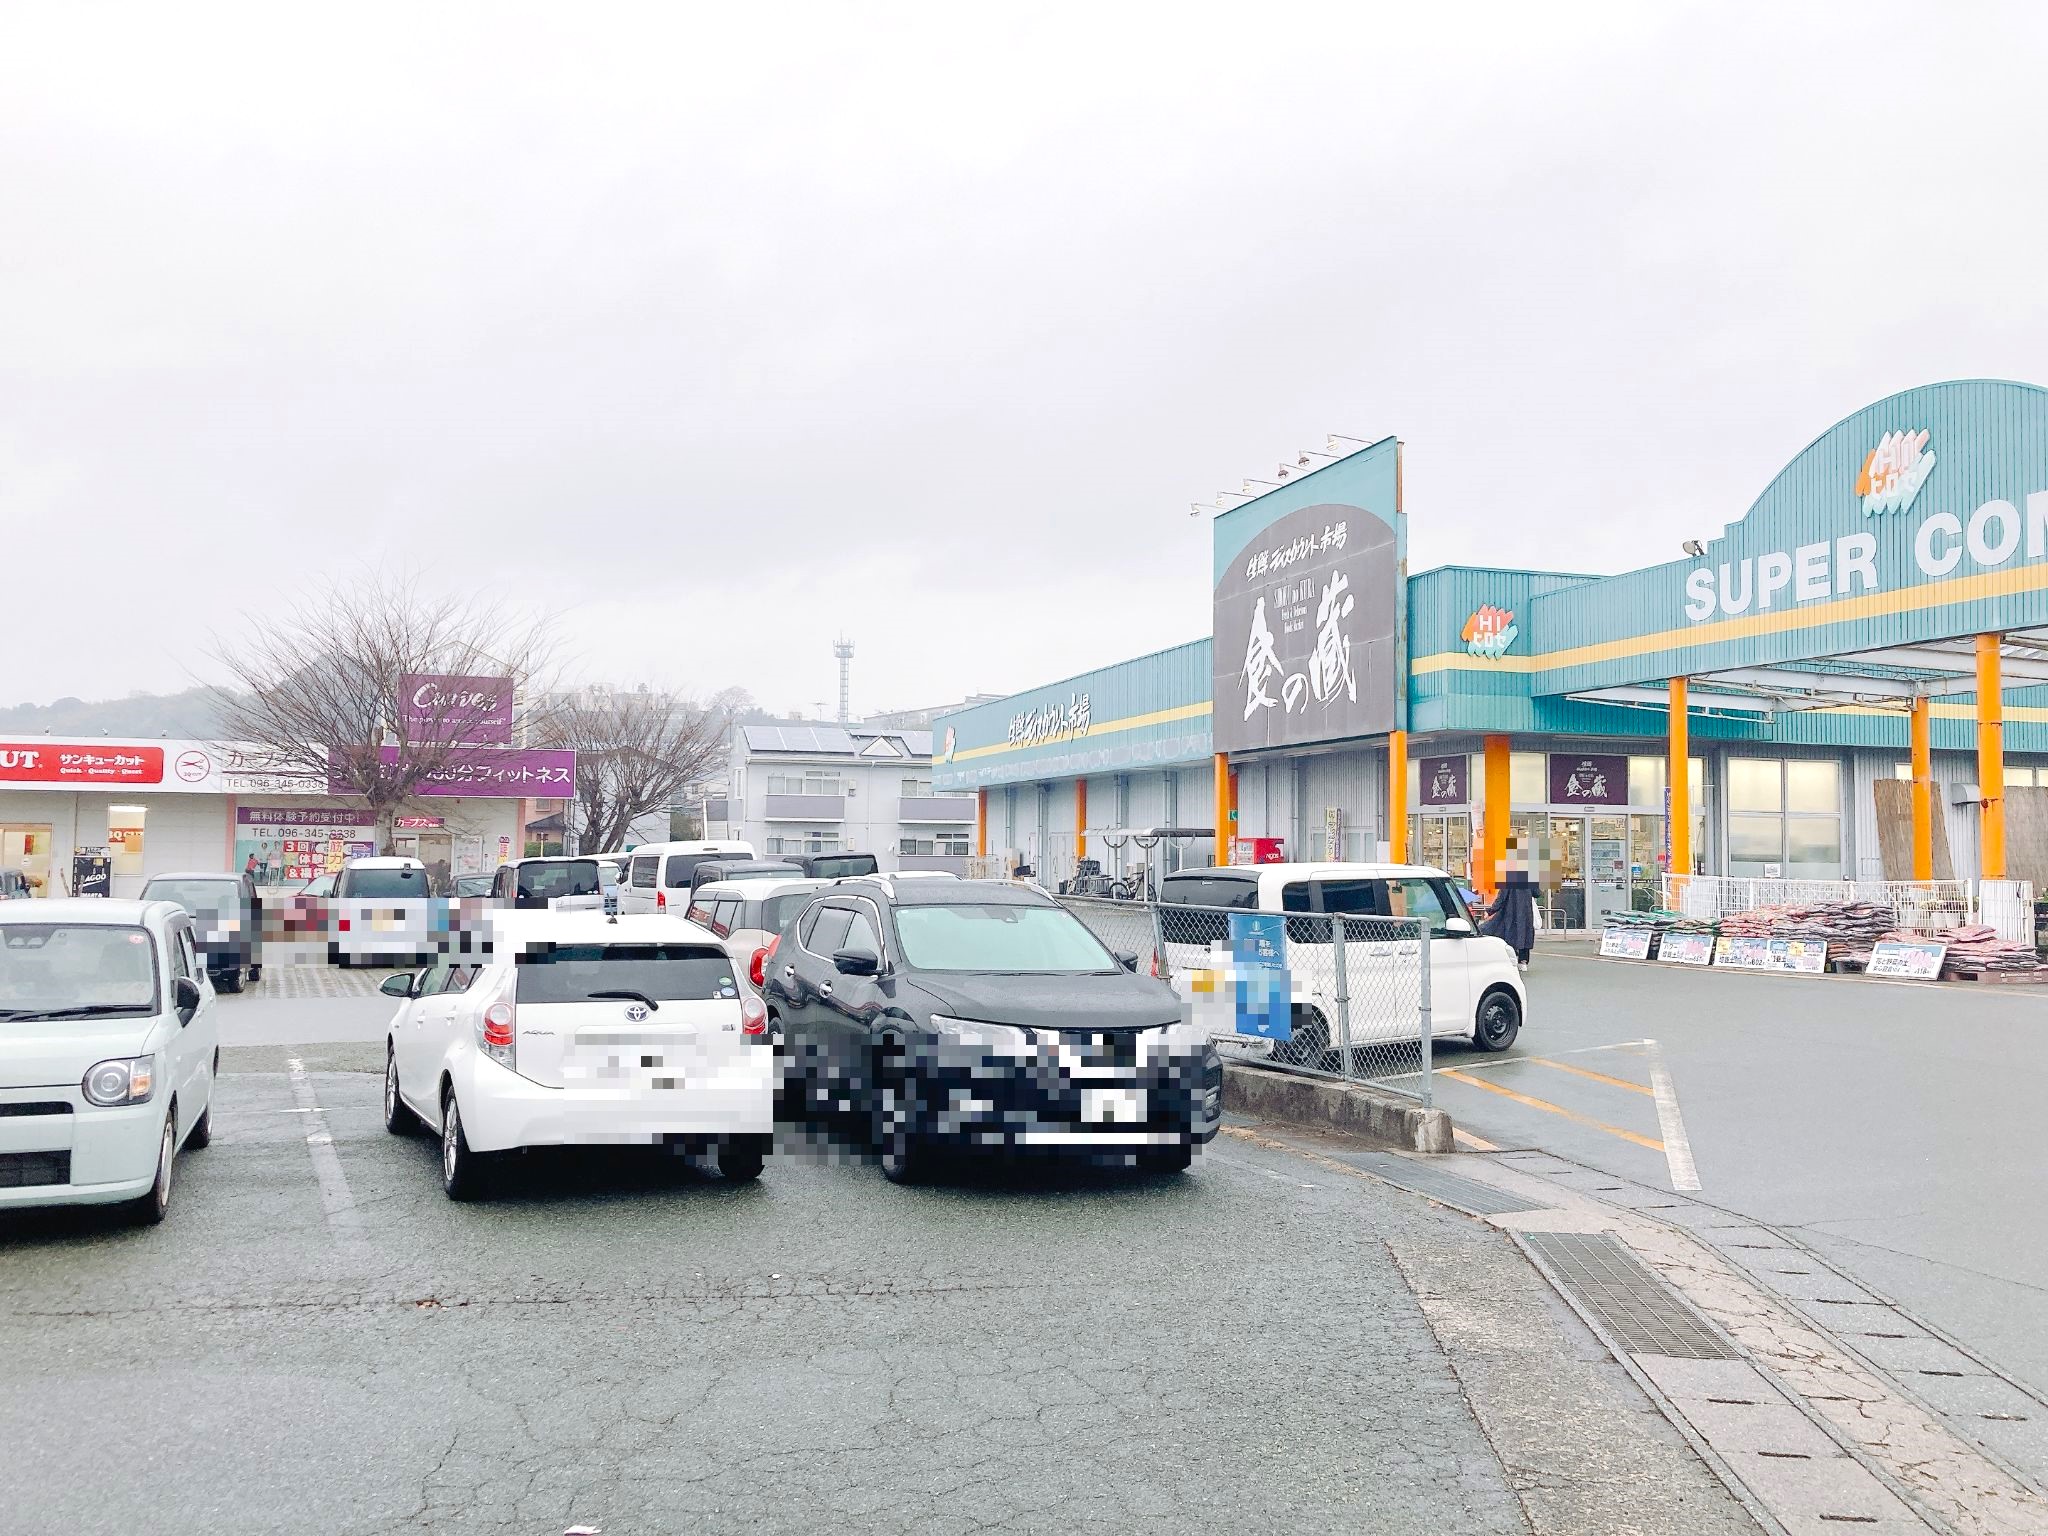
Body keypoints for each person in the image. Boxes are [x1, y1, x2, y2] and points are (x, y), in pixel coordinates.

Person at [1480, 868, 1538, 970]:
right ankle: (1523, 961)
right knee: (1524, 936)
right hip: (1526, 914)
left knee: (1508, 936)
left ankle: (1511, 958)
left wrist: (1490, 911)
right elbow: (1537, 893)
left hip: (1510, 914)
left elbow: (1501, 899)